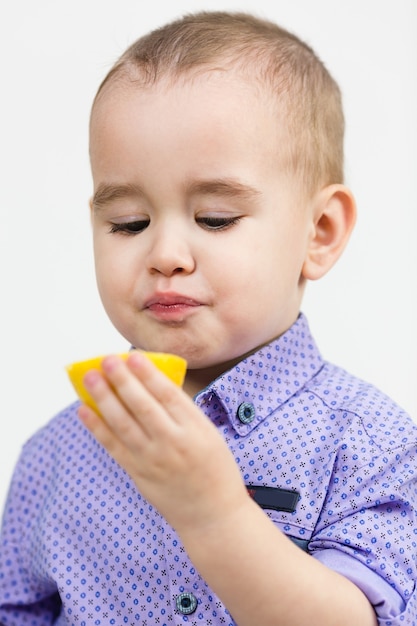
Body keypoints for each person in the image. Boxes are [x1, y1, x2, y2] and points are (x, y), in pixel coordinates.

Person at [0, 10, 416, 626]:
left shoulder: (370, 443)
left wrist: (214, 515)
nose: (165, 255)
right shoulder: (55, 453)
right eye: (129, 223)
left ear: (319, 233)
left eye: (215, 218)